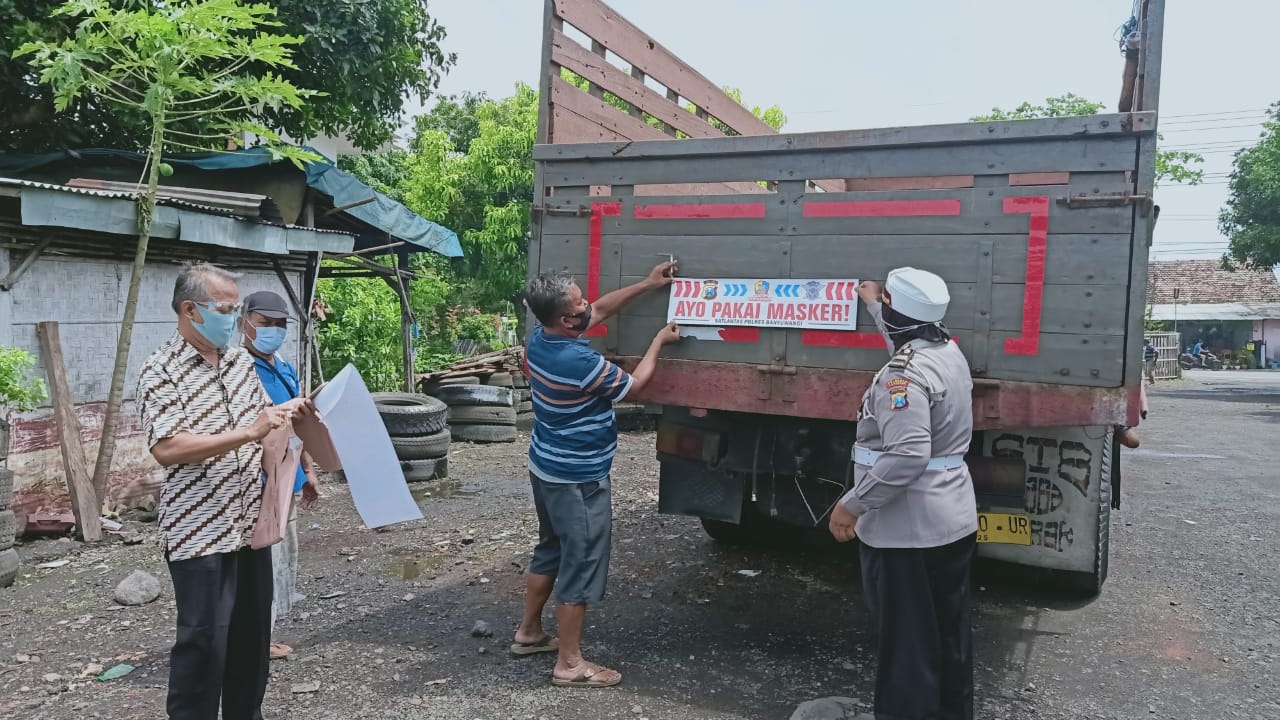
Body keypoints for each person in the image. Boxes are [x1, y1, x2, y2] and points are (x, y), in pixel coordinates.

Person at [136, 262, 313, 720]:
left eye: (236, 308)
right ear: (190, 310)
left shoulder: (238, 362)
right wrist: (249, 433)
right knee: (204, 643)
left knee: (251, 639)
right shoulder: (161, 371)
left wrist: (292, 413)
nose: (233, 318)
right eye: (226, 308)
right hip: (199, 531)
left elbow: (263, 419)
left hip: (249, 524)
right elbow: (169, 447)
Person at [512, 262, 681, 688]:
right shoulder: (578, 360)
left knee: (550, 547)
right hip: (578, 478)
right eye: (580, 303)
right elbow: (635, 387)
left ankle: (529, 633)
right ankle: (569, 664)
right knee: (582, 562)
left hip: (546, 466)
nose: (589, 305)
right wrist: (659, 340)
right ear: (567, 320)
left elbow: (600, 310)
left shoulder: (540, 338)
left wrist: (647, 282)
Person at [827, 267, 978, 720]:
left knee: (907, 647)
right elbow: (906, 346)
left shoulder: (902, 378)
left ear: (901, 315)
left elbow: (908, 456)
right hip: (951, 520)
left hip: (906, 531)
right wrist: (877, 305)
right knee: (949, 637)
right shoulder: (948, 352)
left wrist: (850, 505)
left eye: (888, 304)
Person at [239, 290, 321, 661]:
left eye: (279, 324)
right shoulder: (238, 371)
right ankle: (254, 637)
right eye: (264, 323)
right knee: (262, 562)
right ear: (245, 324)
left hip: (288, 478)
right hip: (256, 483)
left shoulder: (283, 366)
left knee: (283, 557)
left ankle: (263, 632)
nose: (273, 330)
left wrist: (309, 470)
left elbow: (298, 424)